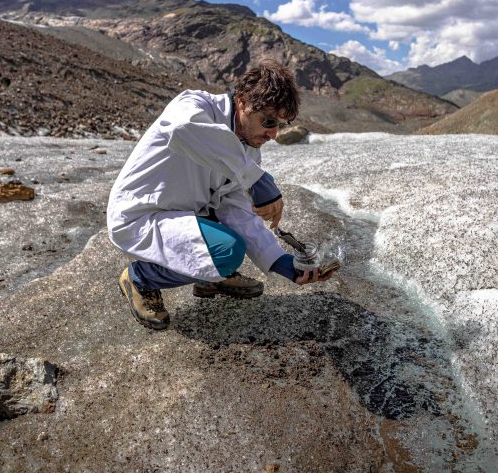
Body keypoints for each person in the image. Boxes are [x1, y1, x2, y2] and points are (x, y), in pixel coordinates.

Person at [107, 60, 334, 330]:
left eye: (280, 125)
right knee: (227, 250)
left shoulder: (248, 148)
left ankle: (211, 276)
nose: (273, 134)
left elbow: (234, 208)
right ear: (242, 102)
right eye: (269, 121)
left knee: (227, 231)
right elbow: (182, 130)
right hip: (142, 215)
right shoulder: (195, 105)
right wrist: (256, 178)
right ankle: (141, 277)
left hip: (186, 213)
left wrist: (279, 261)